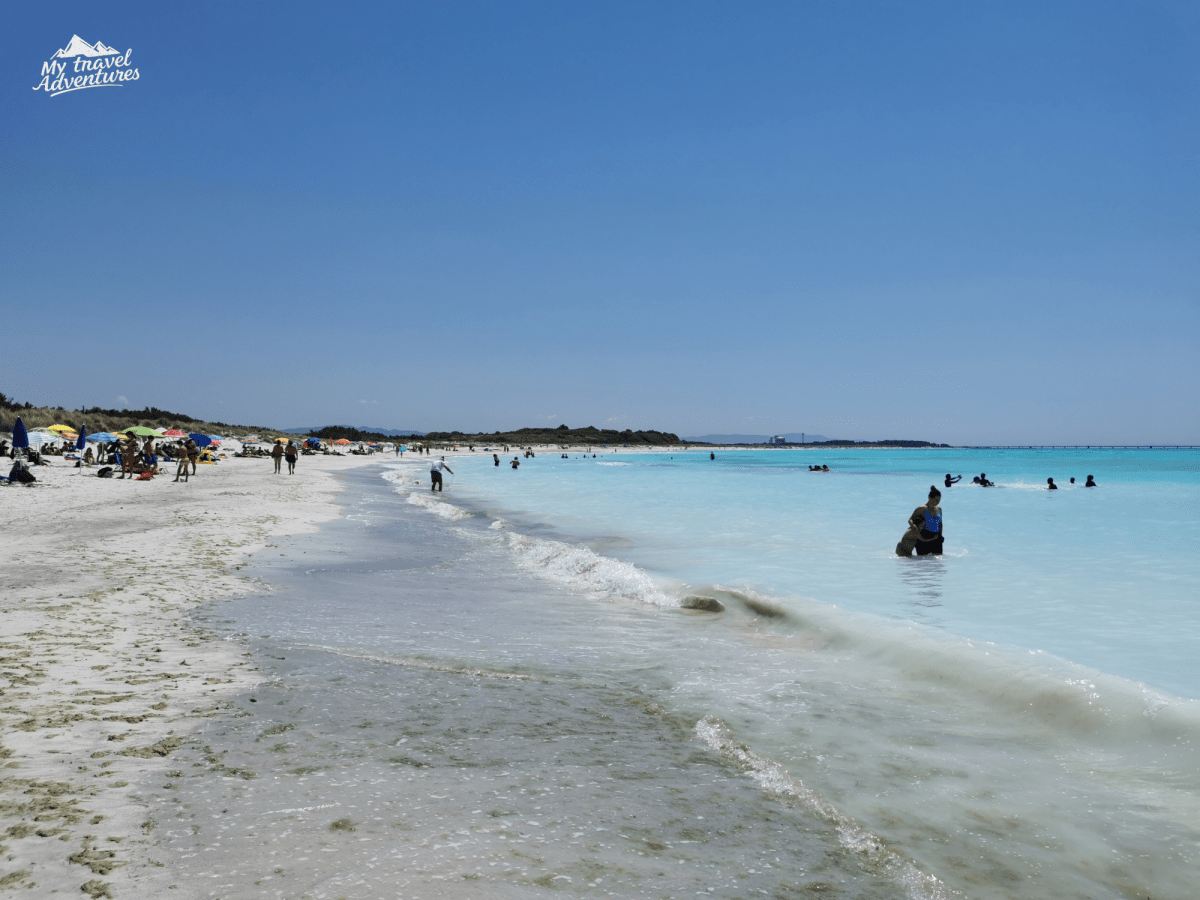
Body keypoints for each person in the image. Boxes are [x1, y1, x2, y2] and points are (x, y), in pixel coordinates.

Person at [896, 486, 944, 557]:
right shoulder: (921, 509)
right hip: (924, 536)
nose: (937, 502)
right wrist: (914, 527)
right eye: (936, 500)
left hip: (936, 537)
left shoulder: (939, 509)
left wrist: (940, 535)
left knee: (938, 560)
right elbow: (910, 520)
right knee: (923, 561)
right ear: (929, 498)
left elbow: (940, 523)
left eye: (939, 500)